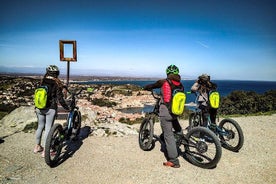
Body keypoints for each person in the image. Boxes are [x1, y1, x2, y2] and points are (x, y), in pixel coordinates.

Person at [143, 64, 184, 168]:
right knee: (176, 127)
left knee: (168, 135)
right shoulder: (180, 84)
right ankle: (179, 137)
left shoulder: (164, 81)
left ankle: (173, 160)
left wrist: (146, 87)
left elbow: (152, 85)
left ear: (168, 73)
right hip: (176, 111)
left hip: (166, 112)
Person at [34, 65, 70, 157]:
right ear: (56, 74)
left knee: (40, 126)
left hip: (39, 108)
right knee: (48, 129)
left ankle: (37, 147)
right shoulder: (56, 84)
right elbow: (60, 99)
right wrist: (67, 108)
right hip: (50, 108)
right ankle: (46, 151)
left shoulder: (42, 81)